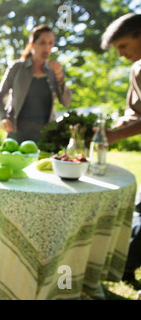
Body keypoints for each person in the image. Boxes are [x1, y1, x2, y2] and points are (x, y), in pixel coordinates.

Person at [101, 12, 141, 290]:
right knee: (139, 209)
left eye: (124, 46)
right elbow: (134, 112)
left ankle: (120, 265)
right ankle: (123, 266)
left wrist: (114, 136)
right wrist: (111, 126)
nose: (121, 54)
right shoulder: (136, 69)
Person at [0, 24, 72, 143]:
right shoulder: (17, 68)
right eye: (42, 42)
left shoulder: (54, 71)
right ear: (32, 44)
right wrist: (3, 117)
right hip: (17, 133)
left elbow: (66, 102)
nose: (47, 47)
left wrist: (60, 77)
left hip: (45, 136)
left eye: (50, 43)